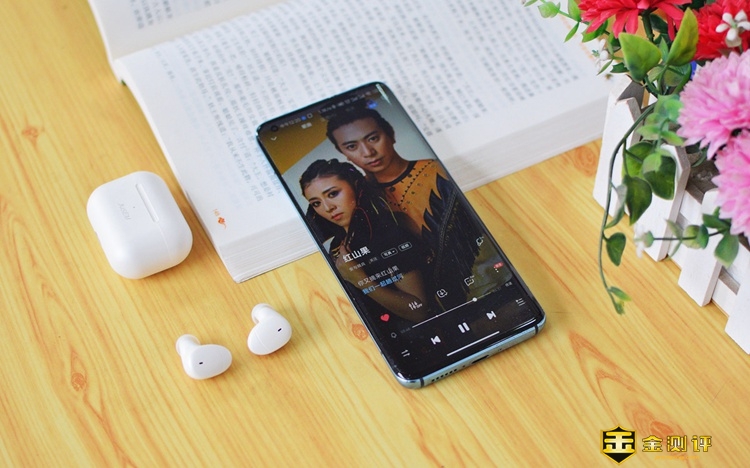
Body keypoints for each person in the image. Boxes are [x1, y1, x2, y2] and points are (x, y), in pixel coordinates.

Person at [325, 107, 497, 309]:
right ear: (343, 153)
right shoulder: (355, 199)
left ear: (390, 134)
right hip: (422, 310)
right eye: (352, 146)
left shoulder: (439, 172)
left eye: (373, 138)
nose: (368, 152)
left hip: (487, 287)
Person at [299, 159, 433, 323]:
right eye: (316, 203)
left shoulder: (386, 233)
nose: (327, 207)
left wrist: (359, 280)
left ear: (355, 186)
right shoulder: (336, 245)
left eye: (333, 194)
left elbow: (419, 310)